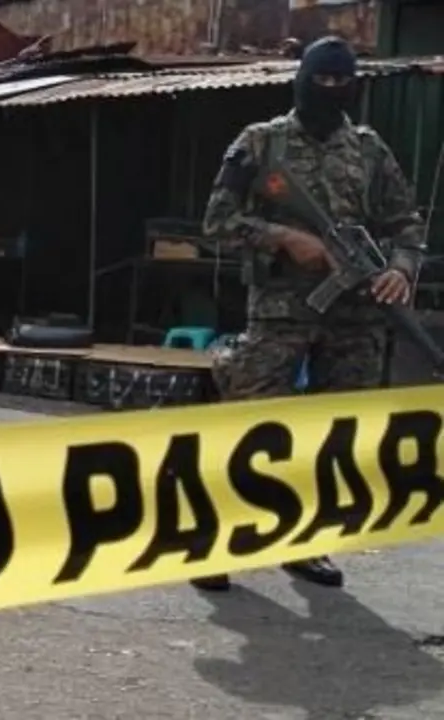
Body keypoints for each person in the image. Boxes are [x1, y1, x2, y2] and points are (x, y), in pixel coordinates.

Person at [198, 36, 424, 592]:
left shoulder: (371, 150)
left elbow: (406, 222)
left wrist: (399, 267)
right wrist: (284, 237)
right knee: (250, 426)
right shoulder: (261, 144)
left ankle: (305, 544)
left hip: (355, 318)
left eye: (339, 82)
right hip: (280, 311)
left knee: (333, 437)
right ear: (301, 79)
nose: (329, 91)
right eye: (319, 80)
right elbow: (217, 221)